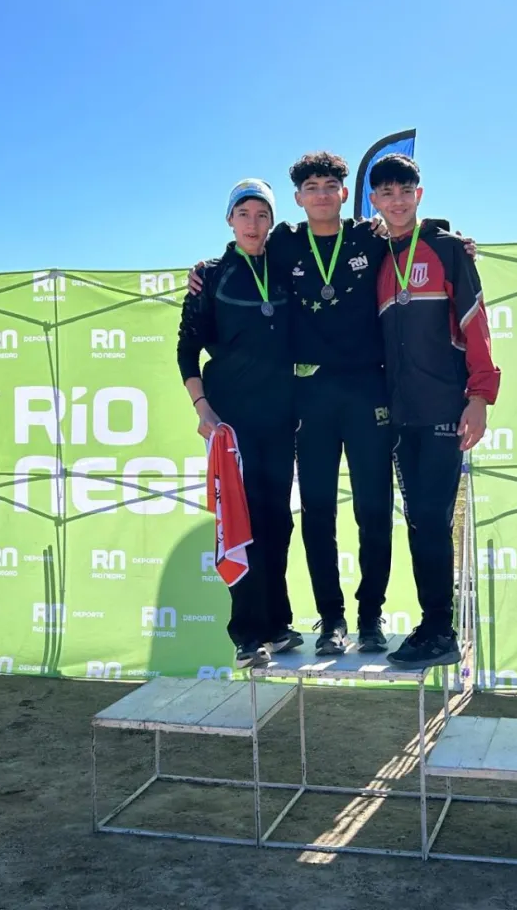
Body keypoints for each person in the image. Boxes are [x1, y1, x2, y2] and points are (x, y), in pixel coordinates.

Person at [188, 152, 478, 657]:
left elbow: (418, 230)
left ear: (346, 193)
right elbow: (243, 247)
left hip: (370, 391)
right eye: (311, 187)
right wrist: (204, 272)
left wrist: (458, 241)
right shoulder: (284, 242)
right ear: (298, 199)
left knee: (373, 510)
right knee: (317, 512)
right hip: (311, 394)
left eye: (330, 186)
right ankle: (332, 620)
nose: (321, 194)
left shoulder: (370, 235)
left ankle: (370, 616)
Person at [370, 153, 501, 668]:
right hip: (401, 418)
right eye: (386, 193)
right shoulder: (378, 258)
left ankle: (439, 629)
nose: (397, 201)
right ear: (375, 201)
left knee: (431, 515)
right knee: (421, 524)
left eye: (406, 191)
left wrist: (479, 398)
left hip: (446, 407)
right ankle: (433, 625)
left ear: (418, 195)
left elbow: (476, 326)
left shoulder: (447, 250)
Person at [176, 179, 301, 669]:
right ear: (229, 219)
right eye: (244, 213)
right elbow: (187, 348)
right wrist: (202, 408)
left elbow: (336, 230)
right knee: (240, 525)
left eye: (262, 214)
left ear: (272, 220)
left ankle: (277, 623)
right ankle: (247, 634)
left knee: (279, 521)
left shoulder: (288, 265)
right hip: (232, 420)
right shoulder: (211, 274)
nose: (253, 223)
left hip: (281, 415)